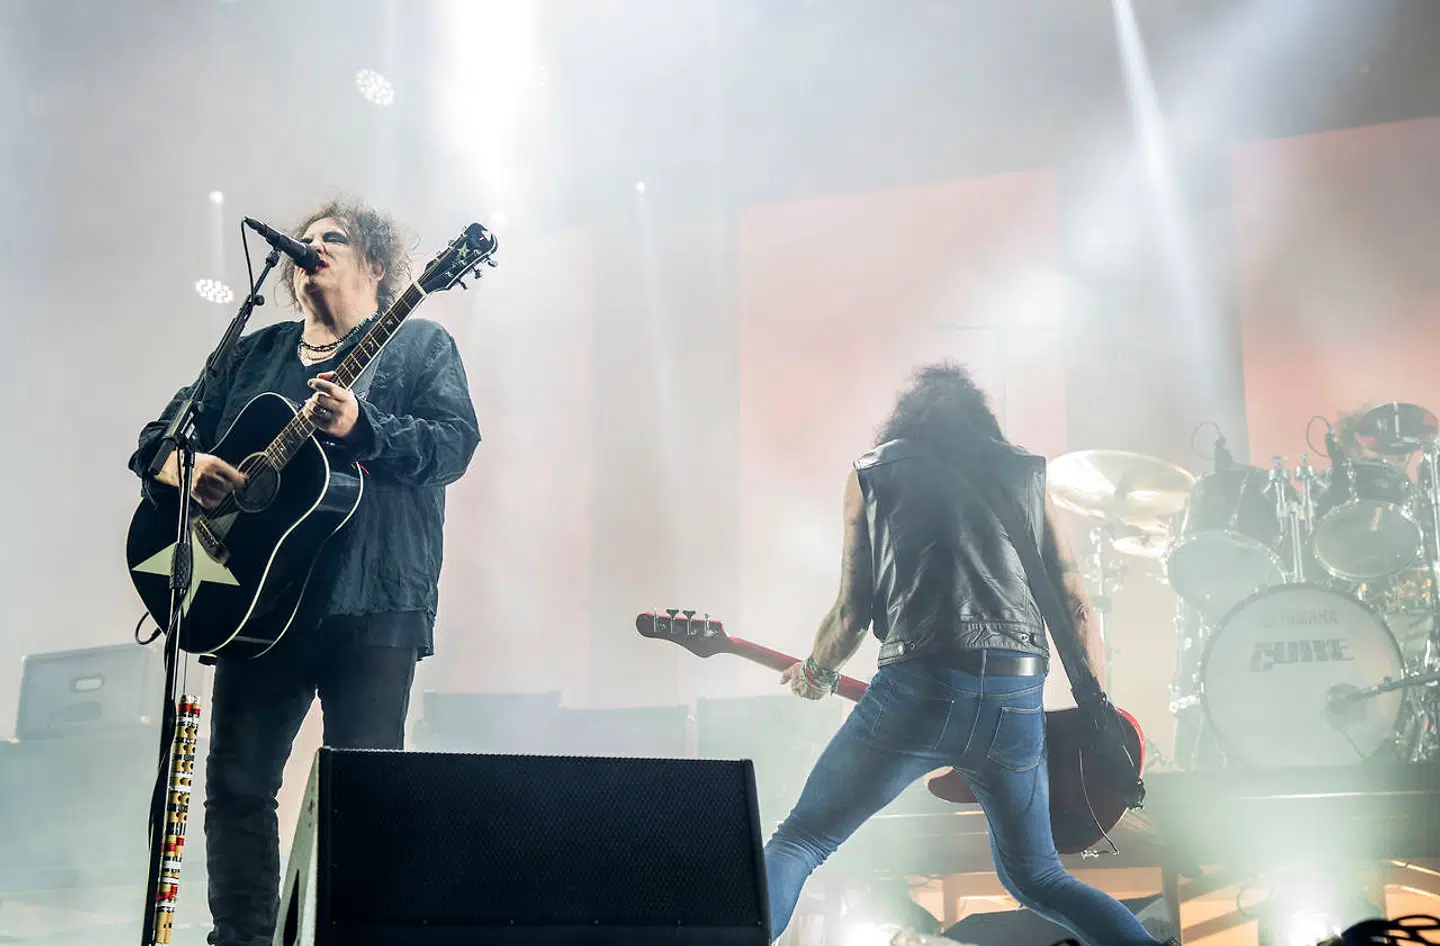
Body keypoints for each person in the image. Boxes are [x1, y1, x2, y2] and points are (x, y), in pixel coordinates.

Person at [128, 197, 482, 946]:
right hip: (255, 603)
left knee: (365, 796)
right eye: (307, 239)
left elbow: (453, 447)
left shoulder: (419, 344)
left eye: (335, 238)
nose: (312, 246)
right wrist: (189, 471)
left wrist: (365, 426)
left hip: (372, 602)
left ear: (377, 266)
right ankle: (244, 940)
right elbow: (158, 439)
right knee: (235, 788)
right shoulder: (257, 352)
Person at [763, 363, 1168, 946]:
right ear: (983, 422)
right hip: (1015, 694)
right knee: (1038, 876)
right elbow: (1076, 606)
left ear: (903, 422)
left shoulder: (872, 475)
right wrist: (1092, 713)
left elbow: (851, 612)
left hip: (917, 685)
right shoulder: (1029, 475)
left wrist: (819, 671)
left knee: (801, 841)